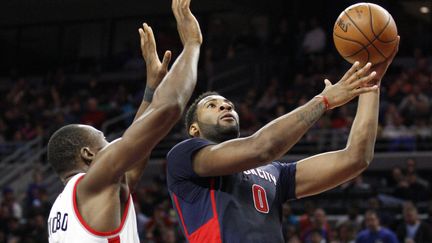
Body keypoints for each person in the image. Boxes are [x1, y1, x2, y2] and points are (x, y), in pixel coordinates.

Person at [166, 37, 400, 242]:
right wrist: (323, 101)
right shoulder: (184, 156)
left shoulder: (275, 173)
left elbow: (355, 158)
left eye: (228, 104)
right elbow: (261, 148)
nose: (225, 105)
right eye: (212, 105)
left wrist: (370, 85)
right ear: (194, 130)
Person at [46, 0, 202, 242]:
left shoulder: (62, 208)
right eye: (106, 141)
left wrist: (151, 90)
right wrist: (192, 45)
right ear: (88, 154)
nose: (114, 145)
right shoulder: (94, 183)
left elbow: (138, 153)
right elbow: (170, 108)